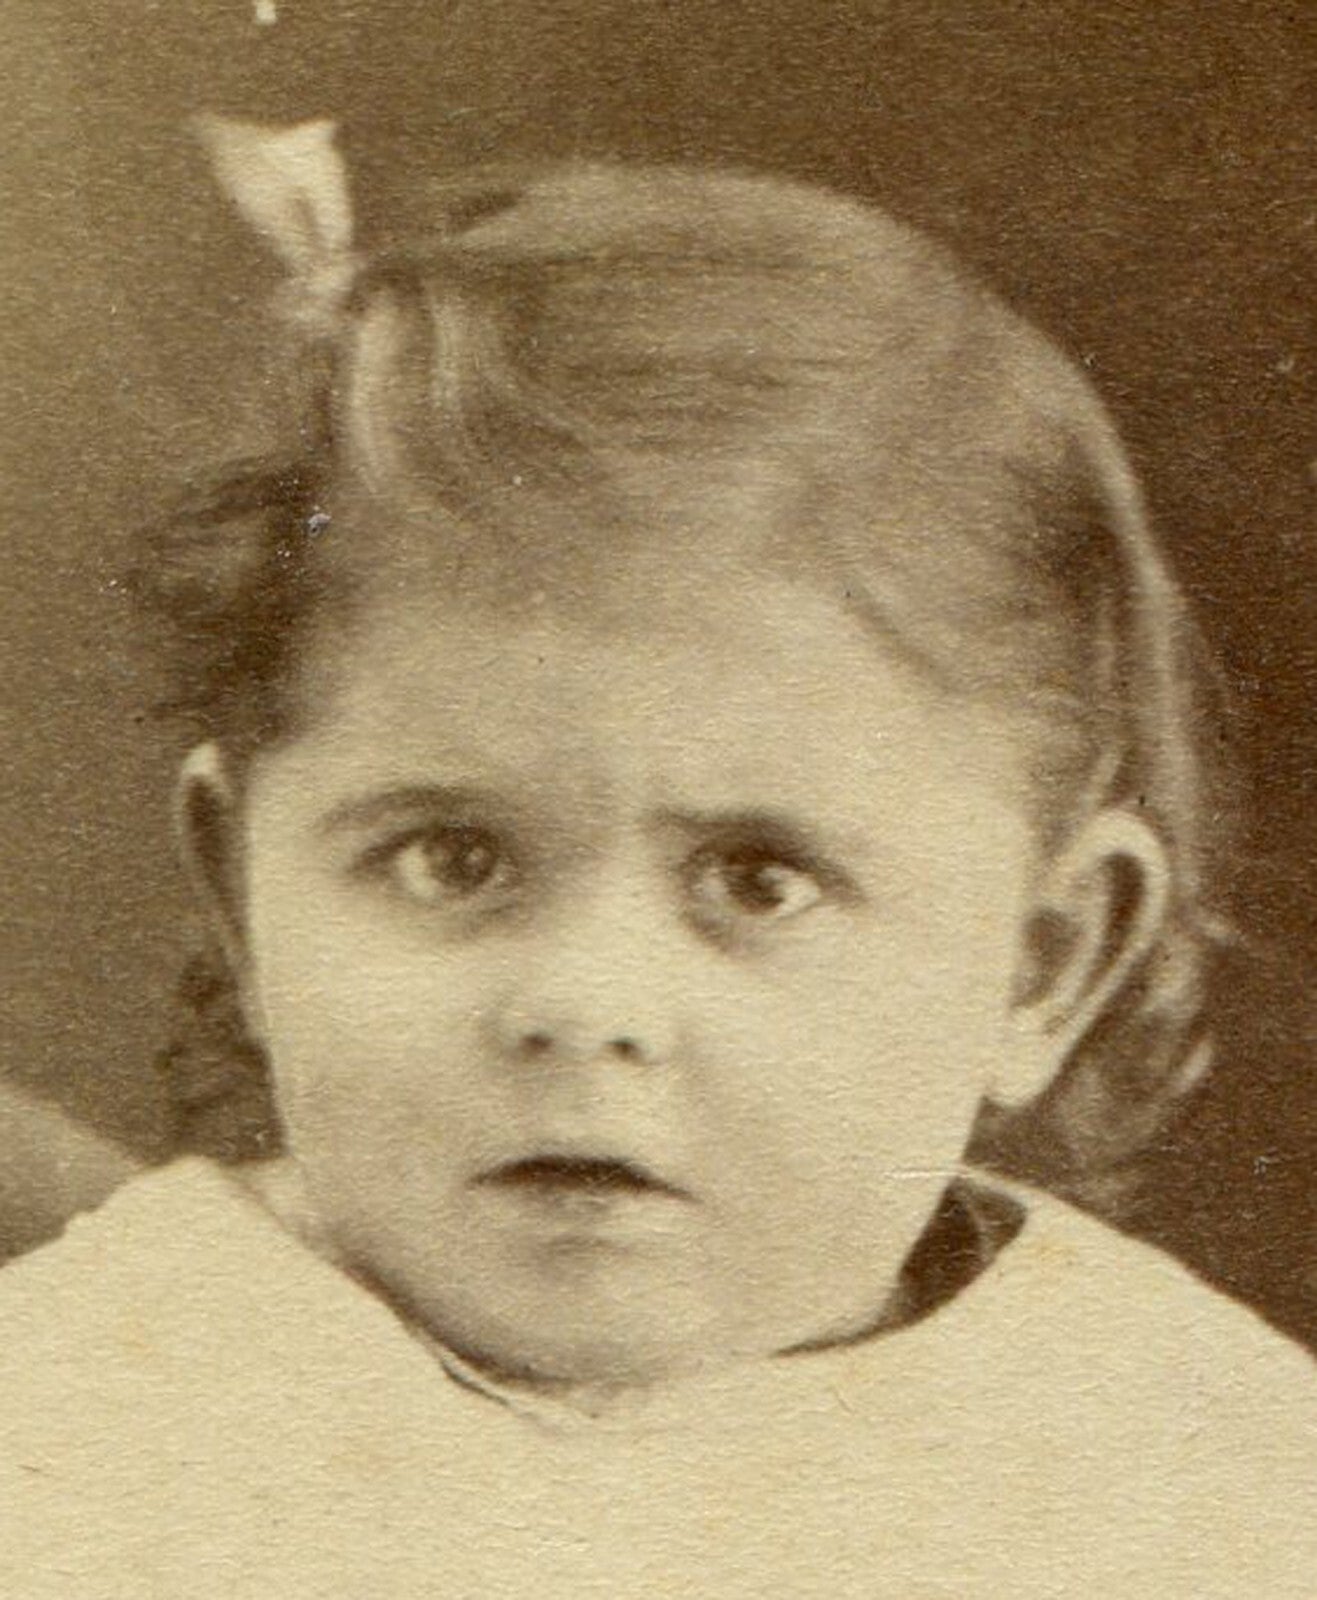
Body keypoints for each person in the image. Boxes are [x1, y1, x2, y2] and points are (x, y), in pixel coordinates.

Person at [2, 119, 1313, 1598]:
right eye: (450, 858)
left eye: (758, 881)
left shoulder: (1198, 1462)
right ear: (239, 894)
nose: (583, 1001)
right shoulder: (85, 1420)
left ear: (1041, 962)